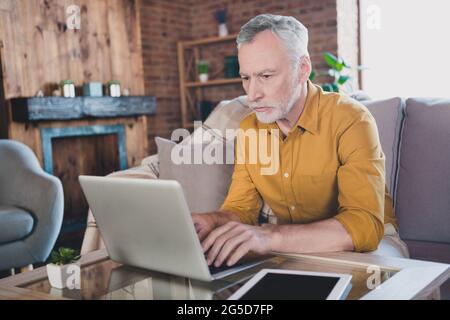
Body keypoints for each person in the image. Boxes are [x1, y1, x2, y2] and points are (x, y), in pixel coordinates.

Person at [192, 14, 406, 268]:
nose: (252, 95)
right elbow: (241, 209)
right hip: (295, 243)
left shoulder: (351, 119)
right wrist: (213, 221)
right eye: (246, 78)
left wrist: (268, 236)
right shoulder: (250, 127)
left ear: (303, 69)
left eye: (266, 76)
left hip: (375, 242)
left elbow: (364, 226)